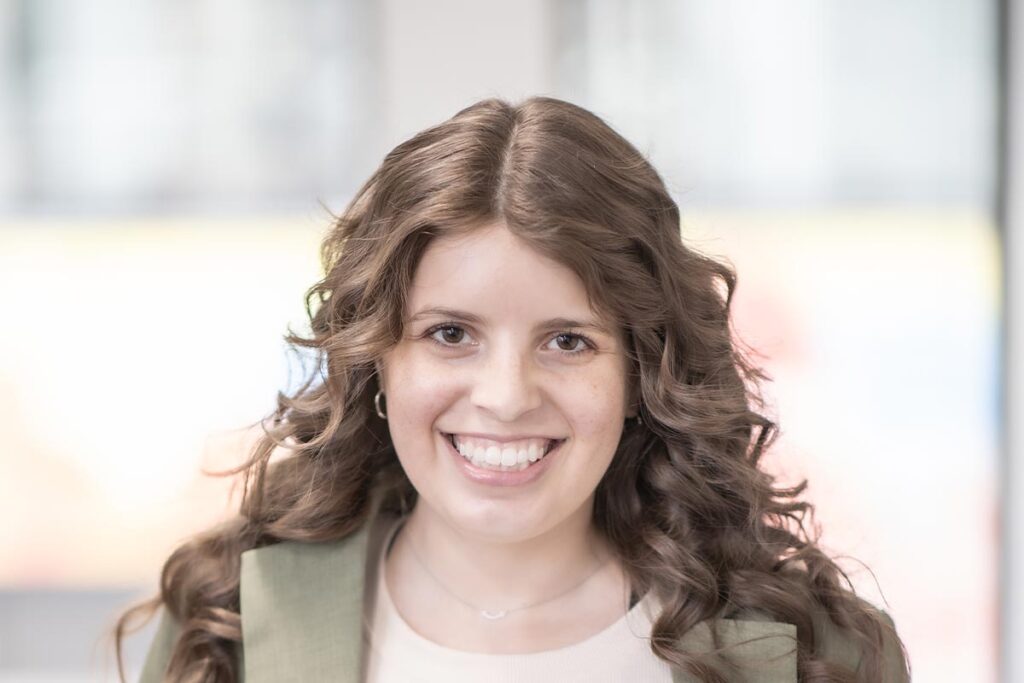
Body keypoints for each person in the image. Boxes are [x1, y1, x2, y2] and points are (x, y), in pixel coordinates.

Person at [114, 96, 910, 682]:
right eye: (450, 333)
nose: (504, 395)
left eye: (568, 340)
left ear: (641, 374)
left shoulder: (826, 654)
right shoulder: (224, 625)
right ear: (377, 360)